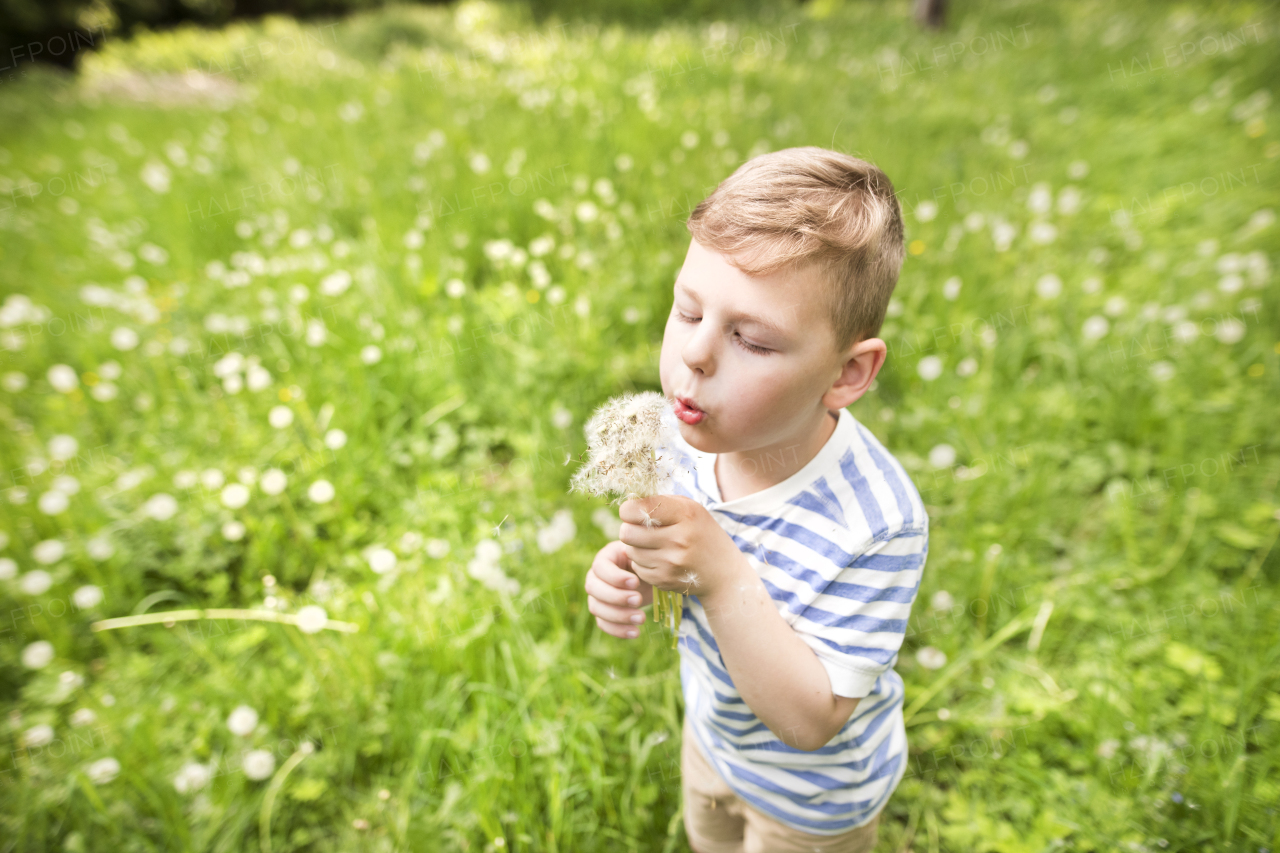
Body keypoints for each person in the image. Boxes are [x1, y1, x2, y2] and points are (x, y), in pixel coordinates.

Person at [583, 146, 927, 852]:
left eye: (753, 340)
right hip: (711, 740)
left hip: (813, 799)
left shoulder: (877, 522)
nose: (696, 356)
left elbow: (811, 721)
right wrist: (630, 568)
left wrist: (720, 568)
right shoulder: (685, 435)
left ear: (848, 372)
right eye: (687, 310)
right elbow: (676, 562)